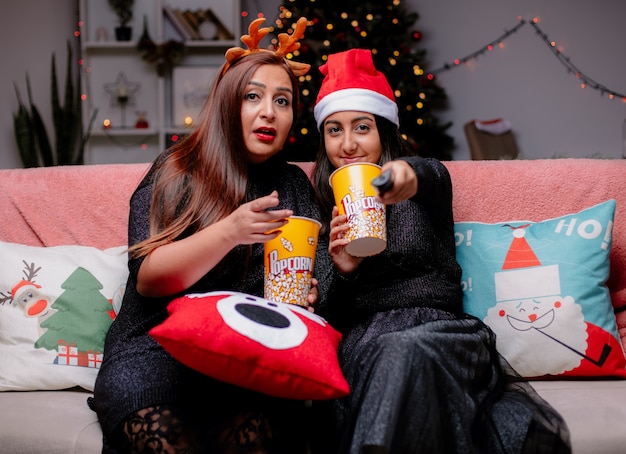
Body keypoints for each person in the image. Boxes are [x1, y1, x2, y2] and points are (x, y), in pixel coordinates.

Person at [311, 48, 571, 454]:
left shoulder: (424, 184)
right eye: (334, 130)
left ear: (383, 130)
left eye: (361, 127)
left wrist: (405, 175)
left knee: (404, 349)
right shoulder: (321, 207)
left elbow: (429, 176)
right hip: (366, 343)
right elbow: (324, 315)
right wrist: (344, 270)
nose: (347, 144)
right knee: (390, 351)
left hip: (442, 333)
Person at [91, 17, 331, 454]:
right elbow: (147, 278)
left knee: (259, 435)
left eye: (283, 101)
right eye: (253, 97)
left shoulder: (295, 185)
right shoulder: (178, 169)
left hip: (247, 355)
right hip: (156, 347)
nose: (268, 112)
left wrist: (313, 291)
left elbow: (321, 277)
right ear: (227, 104)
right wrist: (230, 231)